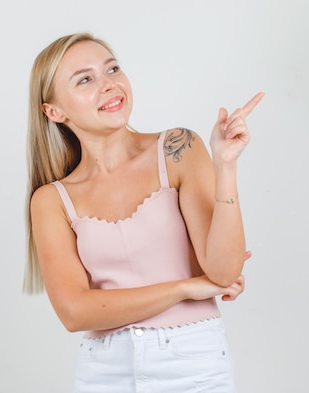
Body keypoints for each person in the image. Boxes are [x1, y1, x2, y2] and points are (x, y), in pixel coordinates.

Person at [23, 32, 264, 393]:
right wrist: (185, 288)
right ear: (54, 111)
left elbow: (224, 270)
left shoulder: (177, 148)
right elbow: (74, 313)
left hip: (194, 362)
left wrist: (225, 166)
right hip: (104, 372)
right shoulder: (51, 200)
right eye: (85, 79)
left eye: (113, 69)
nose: (109, 85)